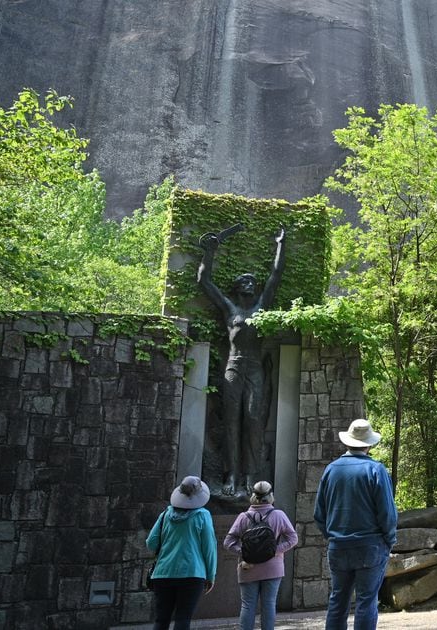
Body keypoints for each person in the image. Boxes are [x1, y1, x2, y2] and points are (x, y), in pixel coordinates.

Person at [197, 225, 287, 497]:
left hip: (255, 369)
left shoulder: (262, 307)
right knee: (232, 423)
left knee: (253, 420)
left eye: (252, 281)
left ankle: (251, 474)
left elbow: (275, 275)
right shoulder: (229, 309)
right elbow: (203, 281)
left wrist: (281, 244)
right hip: (233, 368)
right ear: (237, 288)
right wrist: (210, 252)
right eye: (244, 281)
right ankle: (232, 475)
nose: (250, 283)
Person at [314, 419, 398, 630]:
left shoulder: (331, 470)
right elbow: (387, 513)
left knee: (338, 602)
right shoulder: (376, 470)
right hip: (370, 546)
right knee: (366, 602)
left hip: (338, 546)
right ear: (369, 444)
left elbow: (319, 514)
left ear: (348, 442)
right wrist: (389, 540)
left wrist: (332, 535)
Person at [223, 480, 299, 630]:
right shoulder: (278, 515)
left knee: (247, 605)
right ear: (270, 496)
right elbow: (293, 539)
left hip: (248, 567)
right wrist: (273, 551)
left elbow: (228, 542)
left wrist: (245, 553)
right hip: (273, 568)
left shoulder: (244, 517)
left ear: (253, 496)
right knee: (269, 605)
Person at [146, 476, 218, 630]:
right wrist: (211, 575)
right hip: (192, 573)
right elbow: (209, 548)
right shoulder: (202, 515)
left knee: (161, 620)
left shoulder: (165, 514)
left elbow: (151, 542)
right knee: (183, 619)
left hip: (163, 573)